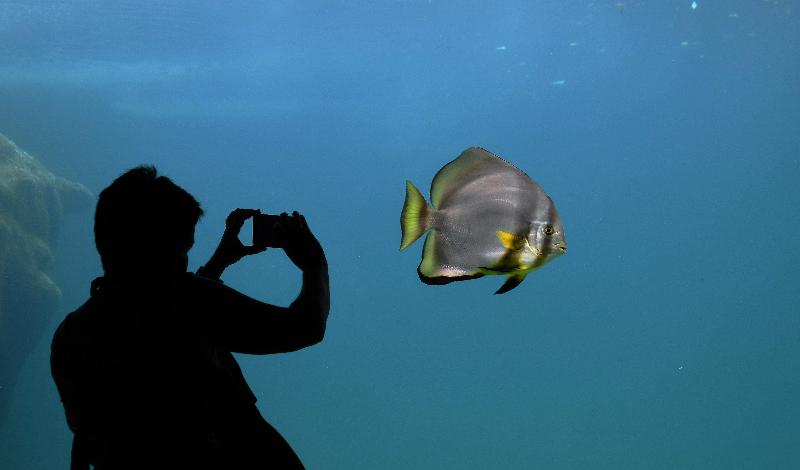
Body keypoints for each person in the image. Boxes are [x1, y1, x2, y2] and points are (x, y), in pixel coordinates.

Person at [50, 166, 329, 469]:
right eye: (183, 249)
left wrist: (218, 263)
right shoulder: (190, 299)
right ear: (163, 247)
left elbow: (162, 322)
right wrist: (314, 263)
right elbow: (306, 327)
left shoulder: (70, 335)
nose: (184, 262)